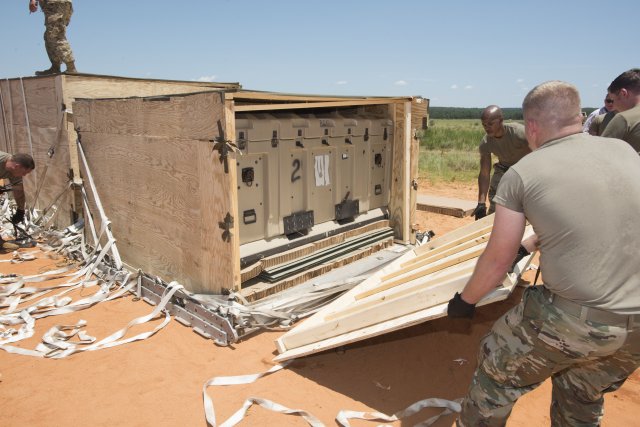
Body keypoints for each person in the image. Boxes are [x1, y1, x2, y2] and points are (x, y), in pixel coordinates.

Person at [447, 81, 640, 426]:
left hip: (576, 322)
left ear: (531, 127)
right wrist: (531, 245)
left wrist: (466, 301)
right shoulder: (623, 152)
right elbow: (590, 218)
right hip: (636, 328)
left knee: (496, 370)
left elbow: (496, 260)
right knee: (580, 389)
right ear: (579, 116)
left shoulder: (524, 173)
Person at [472, 106, 530, 220]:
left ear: (501, 120)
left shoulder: (519, 133)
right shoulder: (486, 142)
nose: (487, 128)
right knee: (496, 205)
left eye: (490, 124)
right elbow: (484, 173)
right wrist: (481, 203)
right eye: (484, 125)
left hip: (526, 171)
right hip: (504, 170)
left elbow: (541, 153)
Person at [29, 0, 77, 75]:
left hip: (55, 4)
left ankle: (70, 66)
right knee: (49, 36)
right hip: (63, 4)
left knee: (55, 35)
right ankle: (55, 66)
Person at [0, 152, 35, 251]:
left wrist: (20, 210)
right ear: (17, 166)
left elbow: (18, 190)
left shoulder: (15, 172)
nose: (24, 175)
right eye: (25, 172)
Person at [601, 68, 640, 152]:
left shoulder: (623, 119)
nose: (613, 106)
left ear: (623, 93)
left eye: (613, 100)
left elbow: (602, 153)